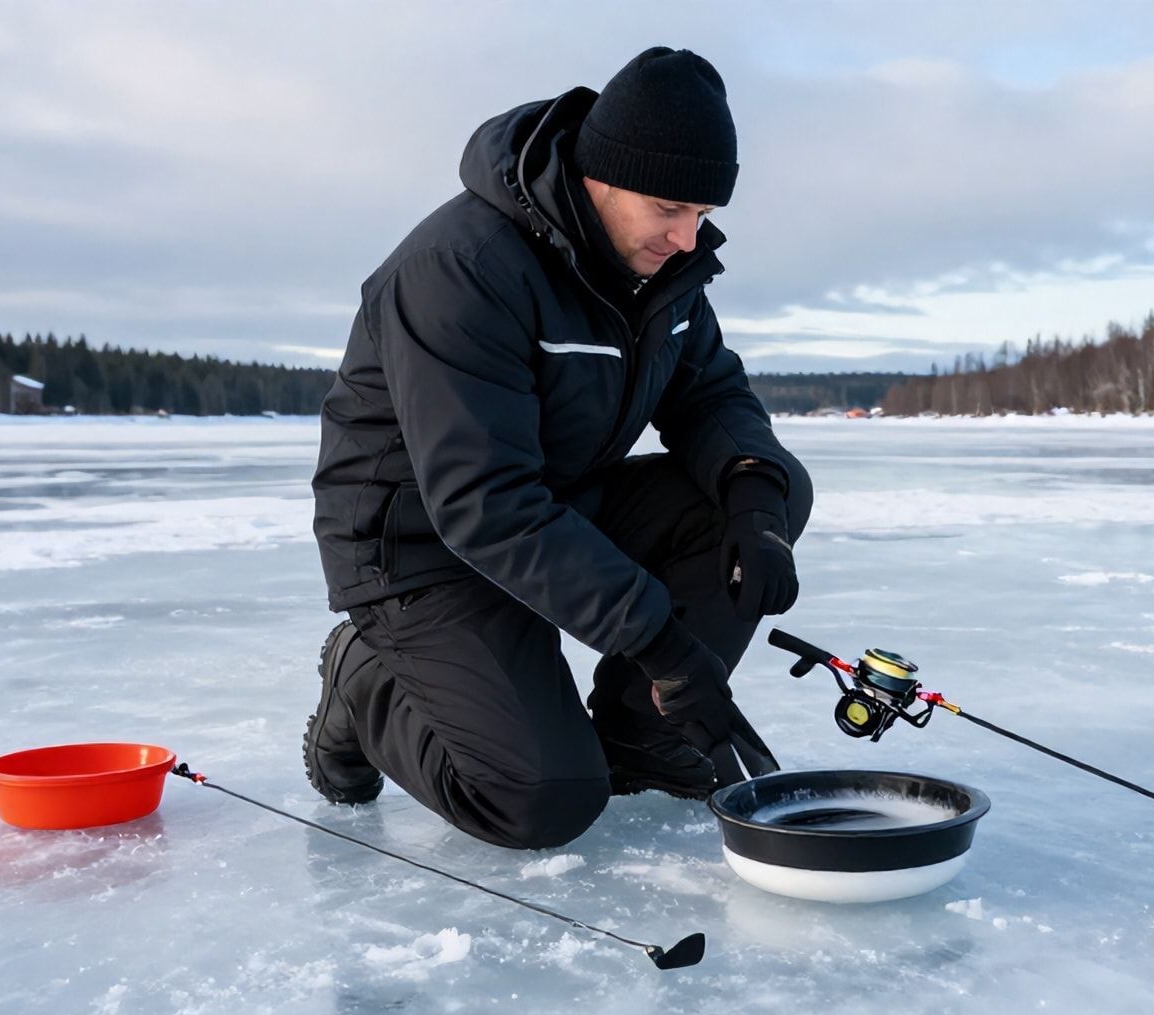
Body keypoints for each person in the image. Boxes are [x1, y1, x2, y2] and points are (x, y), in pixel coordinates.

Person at [307, 48, 811, 850]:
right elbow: (484, 503)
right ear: (601, 176)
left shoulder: (657, 270)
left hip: (557, 507)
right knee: (540, 800)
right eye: (669, 208)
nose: (688, 238)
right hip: (418, 549)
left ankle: (641, 736)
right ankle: (363, 680)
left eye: (703, 213)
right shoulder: (462, 269)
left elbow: (712, 395)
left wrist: (756, 496)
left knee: (757, 491)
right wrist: (665, 646)